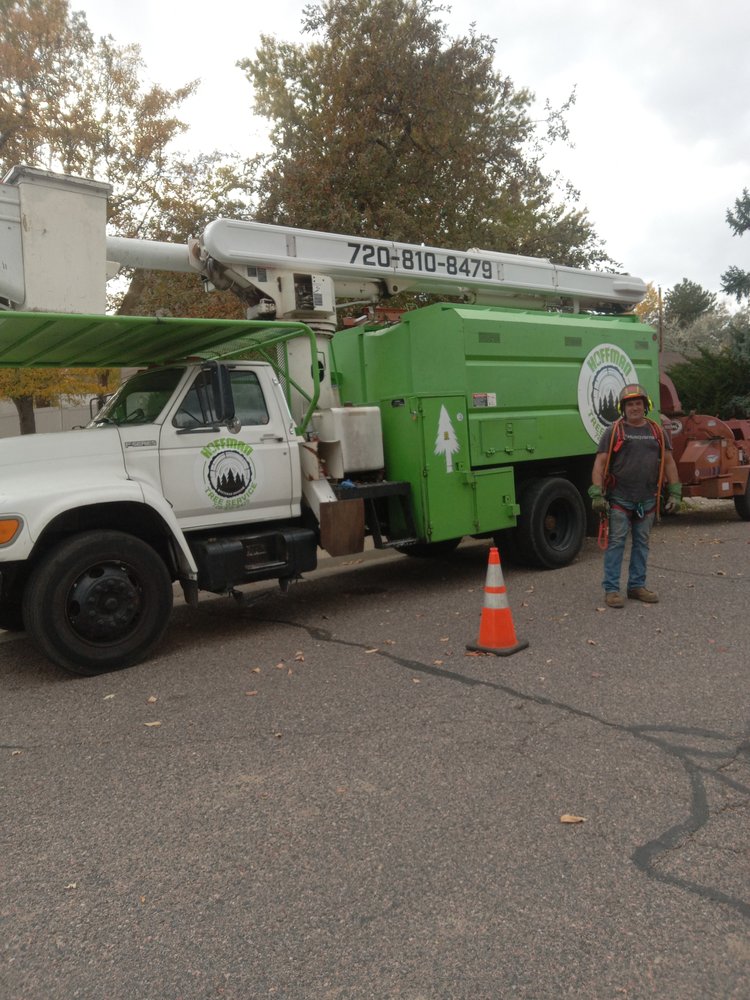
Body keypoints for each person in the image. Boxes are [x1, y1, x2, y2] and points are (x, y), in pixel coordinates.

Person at [588, 383, 682, 608]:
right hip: (620, 498)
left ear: (645, 406)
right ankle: (612, 590)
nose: (634, 408)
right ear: (624, 408)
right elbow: (600, 463)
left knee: (642, 543)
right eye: (630, 404)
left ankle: (636, 586)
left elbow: (668, 462)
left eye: (638, 403)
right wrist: (596, 493)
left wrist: (676, 493)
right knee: (617, 543)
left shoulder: (656, 431)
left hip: (648, 499)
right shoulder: (614, 432)